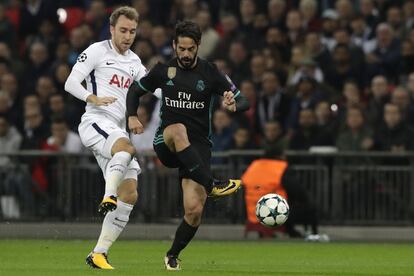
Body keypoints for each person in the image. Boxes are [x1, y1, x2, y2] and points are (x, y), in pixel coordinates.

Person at [126, 21, 249, 271]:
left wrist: (234, 104)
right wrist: (132, 115)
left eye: (190, 49)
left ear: (198, 47)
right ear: (174, 45)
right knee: (178, 129)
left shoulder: (212, 72)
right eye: (180, 48)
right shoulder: (163, 70)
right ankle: (213, 184)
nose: (184, 54)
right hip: (167, 142)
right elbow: (134, 92)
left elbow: (242, 99)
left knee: (194, 211)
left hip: (198, 147)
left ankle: (172, 255)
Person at [64, 6, 150, 270]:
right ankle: (107, 195)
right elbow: (70, 83)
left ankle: (98, 253)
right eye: (122, 30)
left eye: (132, 31)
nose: (127, 36)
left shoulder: (135, 62)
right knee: (126, 149)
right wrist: (93, 98)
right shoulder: (96, 51)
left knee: (131, 193)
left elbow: (153, 87)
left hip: (116, 129)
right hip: (95, 122)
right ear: (112, 29)